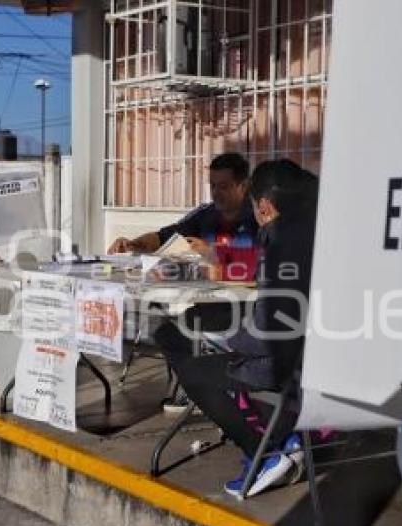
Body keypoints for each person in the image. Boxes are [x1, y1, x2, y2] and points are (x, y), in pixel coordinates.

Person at [155, 159, 319, 498]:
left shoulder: (278, 240)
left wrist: (226, 340)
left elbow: (267, 333)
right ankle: (277, 440)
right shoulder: (316, 231)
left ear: (263, 205)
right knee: (183, 335)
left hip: (281, 363)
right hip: (313, 352)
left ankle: (263, 450)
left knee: (194, 367)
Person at [107, 152, 260, 282]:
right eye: (213, 185)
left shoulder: (259, 218)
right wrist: (134, 244)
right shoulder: (205, 215)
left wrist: (213, 253)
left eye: (224, 187)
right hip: (204, 298)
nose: (216, 193)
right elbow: (164, 237)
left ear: (244, 186)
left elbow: (262, 265)